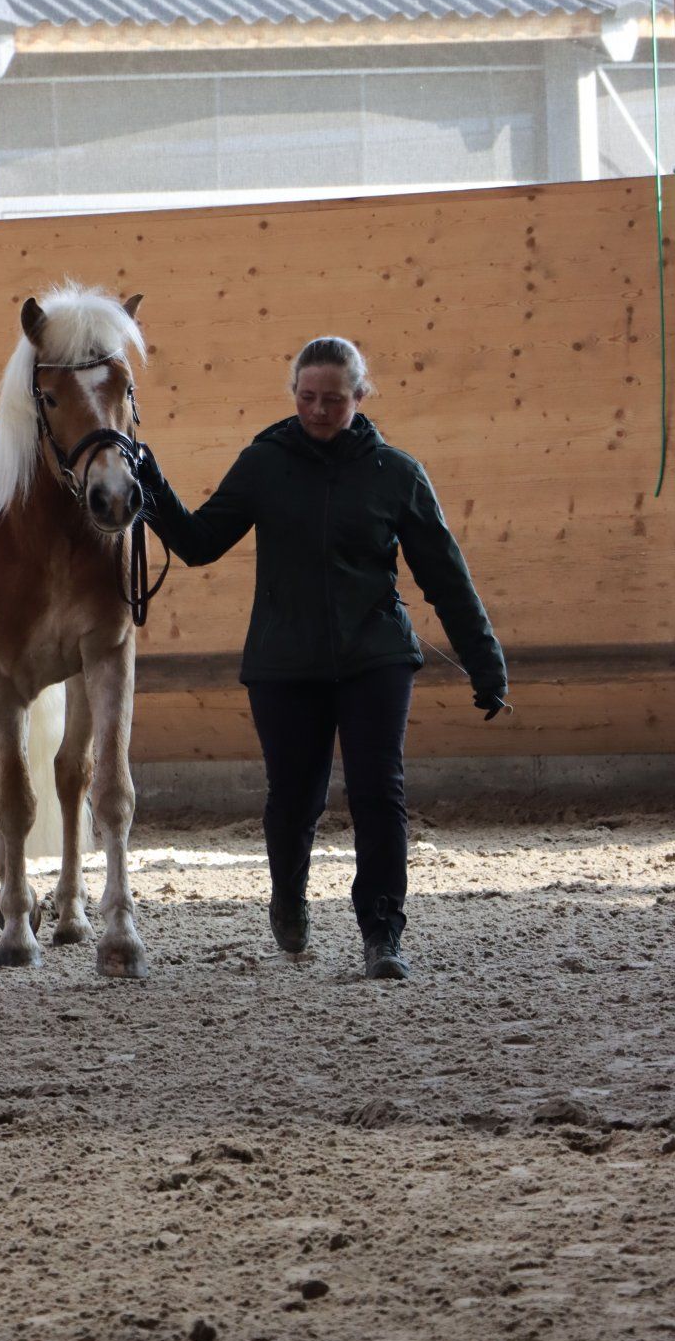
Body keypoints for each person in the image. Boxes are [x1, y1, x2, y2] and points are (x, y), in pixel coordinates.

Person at [137, 335, 508, 979]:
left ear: (359, 399)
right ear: (294, 395)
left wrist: (485, 661)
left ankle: (383, 932)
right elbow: (199, 543)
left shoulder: (397, 473)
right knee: (293, 798)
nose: (317, 410)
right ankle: (288, 897)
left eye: (333, 400)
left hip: (375, 656)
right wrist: (149, 481)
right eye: (307, 397)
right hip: (285, 662)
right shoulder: (263, 464)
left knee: (379, 791)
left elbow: (445, 577)